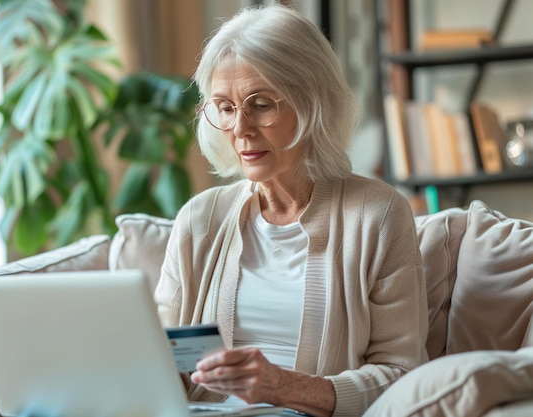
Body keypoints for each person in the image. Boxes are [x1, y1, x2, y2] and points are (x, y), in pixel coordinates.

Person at [154, 3, 429, 417]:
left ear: (313, 102)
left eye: (261, 104)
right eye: (225, 108)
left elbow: (403, 373)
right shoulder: (199, 219)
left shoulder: (378, 214)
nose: (240, 129)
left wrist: (284, 387)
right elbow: (156, 357)